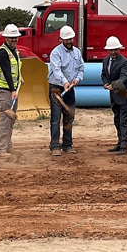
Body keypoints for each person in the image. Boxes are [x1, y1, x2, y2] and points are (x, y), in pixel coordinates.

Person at [47, 25, 85, 156]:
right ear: (61, 39)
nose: (69, 41)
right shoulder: (56, 53)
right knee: (56, 117)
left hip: (70, 89)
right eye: (66, 39)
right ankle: (55, 146)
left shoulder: (77, 52)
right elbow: (56, 71)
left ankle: (67, 145)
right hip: (56, 89)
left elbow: (81, 68)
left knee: (69, 117)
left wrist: (77, 80)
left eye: (70, 39)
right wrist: (65, 82)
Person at [0, 24, 22, 156]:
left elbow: (15, 70)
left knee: (11, 119)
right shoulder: (2, 53)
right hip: (3, 90)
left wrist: (20, 78)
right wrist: (12, 90)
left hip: (10, 89)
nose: (14, 39)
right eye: (12, 37)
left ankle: (8, 146)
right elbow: (7, 72)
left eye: (15, 37)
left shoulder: (14, 51)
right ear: (6, 38)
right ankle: (1, 149)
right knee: (5, 119)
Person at [101, 36, 127, 155]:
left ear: (119, 49)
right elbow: (103, 74)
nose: (113, 52)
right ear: (108, 51)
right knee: (117, 119)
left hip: (124, 95)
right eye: (111, 50)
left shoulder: (124, 61)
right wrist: (105, 83)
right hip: (113, 95)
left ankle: (123, 145)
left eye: (115, 49)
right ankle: (120, 143)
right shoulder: (105, 60)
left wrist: (113, 85)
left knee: (123, 120)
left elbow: (124, 77)